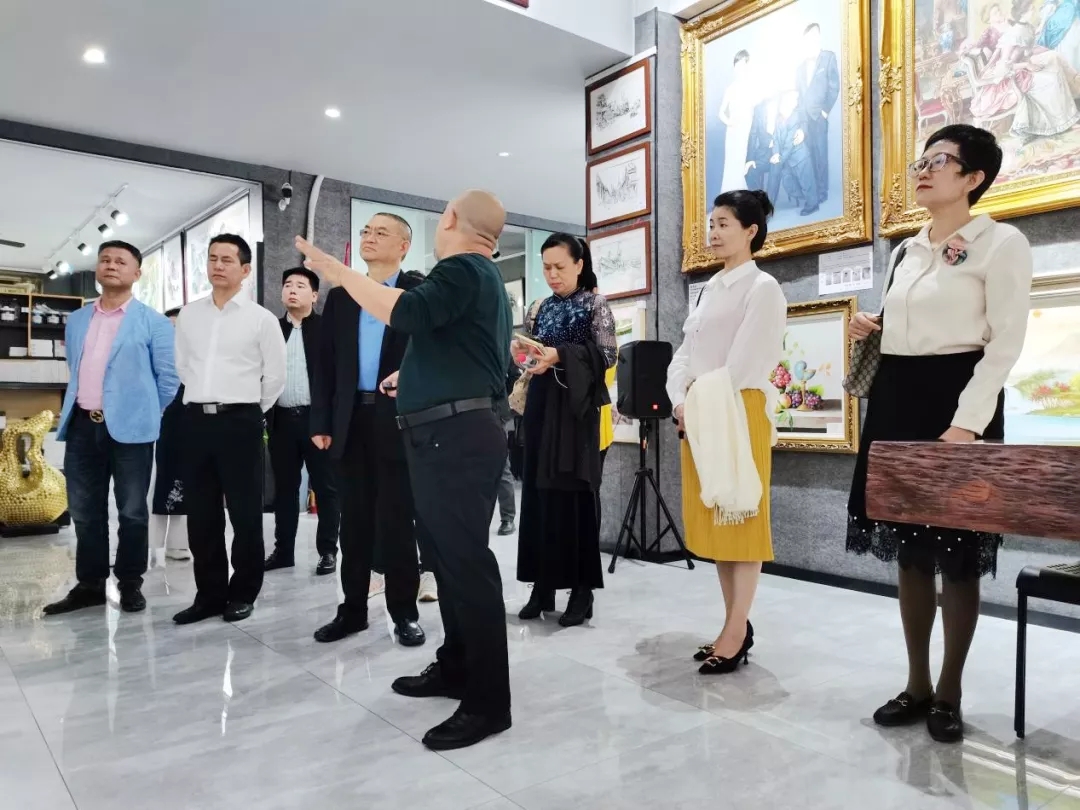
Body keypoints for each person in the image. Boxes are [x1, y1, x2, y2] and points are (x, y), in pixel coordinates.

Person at [296, 189, 512, 752]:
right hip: (451, 431)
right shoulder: (479, 278)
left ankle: (489, 703)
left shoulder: (463, 268)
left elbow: (407, 312)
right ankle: (457, 665)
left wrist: (338, 273)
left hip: (455, 436)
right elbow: (467, 352)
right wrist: (409, 378)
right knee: (444, 560)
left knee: (465, 567)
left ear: (450, 219)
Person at [846, 125, 1032, 743]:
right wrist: (874, 327)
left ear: (973, 178)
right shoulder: (906, 249)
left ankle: (949, 691)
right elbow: (908, 327)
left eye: (940, 161)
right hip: (898, 401)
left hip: (958, 405)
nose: (923, 170)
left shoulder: (1001, 242)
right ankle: (916, 683)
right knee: (910, 551)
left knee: (957, 555)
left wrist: (966, 425)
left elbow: (1004, 344)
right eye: (921, 161)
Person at [666, 190, 787, 676]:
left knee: (742, 517)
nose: (713, 233)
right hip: (701, 411)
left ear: (751, 231)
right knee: (718, 521)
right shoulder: (709, 288)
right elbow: (684, 354)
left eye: (723, 224)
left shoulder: (763, 287)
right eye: (711, 223)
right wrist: (679, 399)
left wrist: (695, 401)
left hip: (737, 410)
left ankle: (735, 632)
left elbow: (745, 363)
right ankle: (733, 623)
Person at [308, 213, 428, 646]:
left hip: (398, 420)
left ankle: (404, 612)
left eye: (381, 232)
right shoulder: (342, 297)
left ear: (403, 247)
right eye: (365, 231)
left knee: (397, 523)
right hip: (351, 421)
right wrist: (322, 421)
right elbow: (325, 364)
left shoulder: (417, 294)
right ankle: (353, 611)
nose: (369, 237)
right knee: (353, 524)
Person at [44, 241, 179, 615]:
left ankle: (130, 583)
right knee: (84, 511)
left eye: (121, 261)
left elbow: (168, 379)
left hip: (132, 430)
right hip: (82, 426)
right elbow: (76, 368)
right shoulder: (77, 319)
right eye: (105, 260)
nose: (111, 265)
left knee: (132, 511)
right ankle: (89, 585)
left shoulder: (153, 322)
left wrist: (143, 413)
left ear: (137, 273)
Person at [172, 234, 287, 625]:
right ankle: (208, 595)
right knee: (201, 514)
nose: (218, 265)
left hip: (240, 421)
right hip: (195, 421)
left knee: (245, 513)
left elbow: (275, 377)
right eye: (212, 258)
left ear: (245, 269)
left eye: (227, 259)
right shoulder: (190, 315)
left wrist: (248, 409)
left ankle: (243, 592)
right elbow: (183, 366)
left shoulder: (261, 319)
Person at [515, 235, 615, 627]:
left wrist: (560, 355)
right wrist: (525, 356)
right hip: (541, 407)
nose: (552, 274)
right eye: (546, 267)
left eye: (559, 266)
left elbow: (608, 354)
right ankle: (542, 586)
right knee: (538, 497)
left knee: (574, 500)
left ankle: (581, 591)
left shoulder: (594, 304)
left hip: (575, 413)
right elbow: (530, 354)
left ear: (579, 264)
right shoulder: (539, 307)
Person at [264, 267, 341, 577]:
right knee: (284, 489)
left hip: (317, 422)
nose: (292, 290)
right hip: (281, 420)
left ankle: (328, 551)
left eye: (300, 285)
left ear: (315, 295)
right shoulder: (271, 329)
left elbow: (336, 379)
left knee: (326, 488)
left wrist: (331, 422)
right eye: (287, 285)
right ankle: (283, 551)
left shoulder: (327, 330)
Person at [150, 307, 189, 562]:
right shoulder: (152, 354)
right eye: (169, 327)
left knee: (183, 482)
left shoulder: (196, 357)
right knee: (152, 483)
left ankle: (178, 544)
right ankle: (148, 543)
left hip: (187, 422)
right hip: (154, 421)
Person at [795, 23, 839, 205]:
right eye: (808, 38)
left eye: (814, 36)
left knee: (821, 155)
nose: (811, 40)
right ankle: (811, 193)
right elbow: (799, 96)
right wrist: (800, 122)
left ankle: (822, 192)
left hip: (819, 117)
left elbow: (834, 87)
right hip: (804, 120)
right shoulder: (800, 68)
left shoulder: (828, 57)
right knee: (808, 156)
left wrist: (824, 111)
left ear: (818, 37)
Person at [719, 50, 757, 193]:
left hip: (746, 131)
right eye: (737, 65)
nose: (739, 69)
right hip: (733, 132)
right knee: (732, 164)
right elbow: (720, 112)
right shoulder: (730, 89)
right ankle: (730, 194)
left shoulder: (751, 87)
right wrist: (729, 122)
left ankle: (742, 195)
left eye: (742, 65)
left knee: (742, 163)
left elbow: (755, 111)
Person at [494, 355, 520, 537]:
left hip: (496, 411)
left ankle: (508, 517)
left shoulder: (502, 347)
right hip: (470, 411)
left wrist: (504, 399)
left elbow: (515, 377)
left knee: (501, 466)